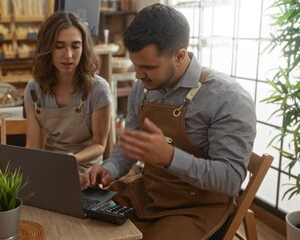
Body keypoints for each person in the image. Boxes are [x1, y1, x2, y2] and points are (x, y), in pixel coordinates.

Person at [81, 3, 256, 239]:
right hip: (149, 193)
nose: (138, 75)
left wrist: (170, 157)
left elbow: (231, 180)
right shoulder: (141, 89)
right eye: (135, 64)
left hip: (196, 209)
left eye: (148, 67)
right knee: (82, 215)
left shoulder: (228, 98)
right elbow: (129, 148)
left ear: (180, 55)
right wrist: (109, 169)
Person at [23, 11, 112, 173]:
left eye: (75, 46)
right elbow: (33, 146)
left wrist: (73, 159)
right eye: (59, 46)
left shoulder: (99, 89)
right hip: (50, 167)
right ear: (47, 48)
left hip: (87, 170)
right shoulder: (33, 90)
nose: (69, 55)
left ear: (83, 47)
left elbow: (99, 145)